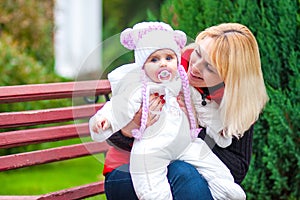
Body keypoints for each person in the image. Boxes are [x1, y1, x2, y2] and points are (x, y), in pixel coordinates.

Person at [89, 22, 248, 200]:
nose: (195, 67)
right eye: (198, 53)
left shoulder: (233, 99)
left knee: (191, 167)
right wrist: (132, 125)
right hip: (129, 166)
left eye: (209, 67)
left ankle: (226, 191)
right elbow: (120, 107)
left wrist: (198, 127)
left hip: (183, 151)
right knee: (177, 172)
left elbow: (237, 168)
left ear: (228, 76)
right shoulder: (153, 78)